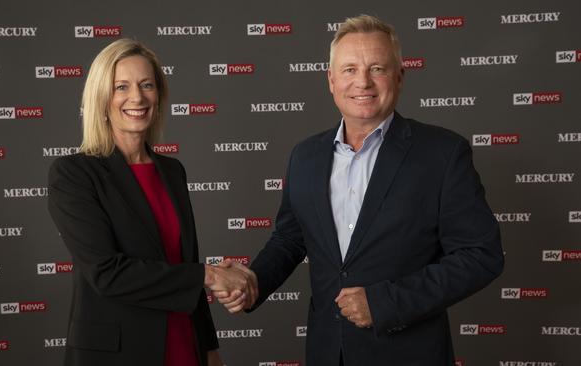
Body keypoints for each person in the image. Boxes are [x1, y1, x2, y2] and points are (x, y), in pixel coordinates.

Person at [215, 14, 504, 366]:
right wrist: (254, 281)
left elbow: (481, 255)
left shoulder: (442, 154)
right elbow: (290, 239)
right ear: (331, 80)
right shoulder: (305, 156)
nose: (362, 82)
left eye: (377, 68)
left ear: (399, 76)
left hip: (409, 354)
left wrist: (387, 302)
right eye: (350, 69)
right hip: (327, 352)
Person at [48, 38, 251, 366]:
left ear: (159, 95)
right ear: (101, 98)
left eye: (147, 85)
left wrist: (209, 350)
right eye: (121, 87)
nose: (137, 97)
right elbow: (107, 274)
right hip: (117, 355)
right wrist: (209, 276)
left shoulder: (172, 171)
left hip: (184, 345)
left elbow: (186, 263)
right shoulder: (74, 173)